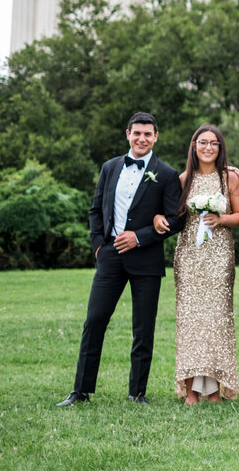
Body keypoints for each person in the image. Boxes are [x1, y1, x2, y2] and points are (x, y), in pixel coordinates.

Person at [58, 112, 182, 407]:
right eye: (137, 133)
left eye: (148, 134)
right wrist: (100, 247)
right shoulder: (110, 167)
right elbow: (95, 210)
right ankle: (81, 391)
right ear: (128, 134)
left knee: (143, 328)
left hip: (147, 261)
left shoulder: (166, 174)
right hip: (110, 259)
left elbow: (175, 220)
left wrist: (139, 237)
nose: (142, 138)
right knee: (94, 321)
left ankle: (137, 393)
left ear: (156, 137)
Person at [163, 124, 239, 403]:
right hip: (189, 257)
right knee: (190, 321)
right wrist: (154, 220)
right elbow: (171, 217)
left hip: (219, 256)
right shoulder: (183, 179)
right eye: (203, 142)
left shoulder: (229, 178)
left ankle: (216, 389)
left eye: (214, 143)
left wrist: (220, 219)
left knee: (218, 320)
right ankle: (190, 391)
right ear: (194, 146)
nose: (208, 147)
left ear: (220, 148)